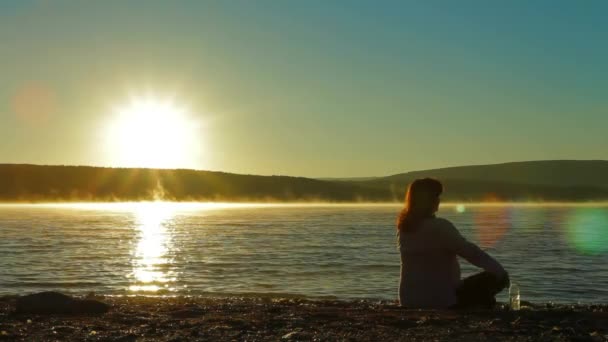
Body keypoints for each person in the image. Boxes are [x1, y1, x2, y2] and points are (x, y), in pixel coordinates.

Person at [396, 178, 509, 309]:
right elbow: (471, 252)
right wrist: (500, 271)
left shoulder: (404, 228)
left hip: (408, 300)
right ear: (426, 200)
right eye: (436, 196)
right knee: (495, 277)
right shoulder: (440, 227)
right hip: (442, 300)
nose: (439, 200)